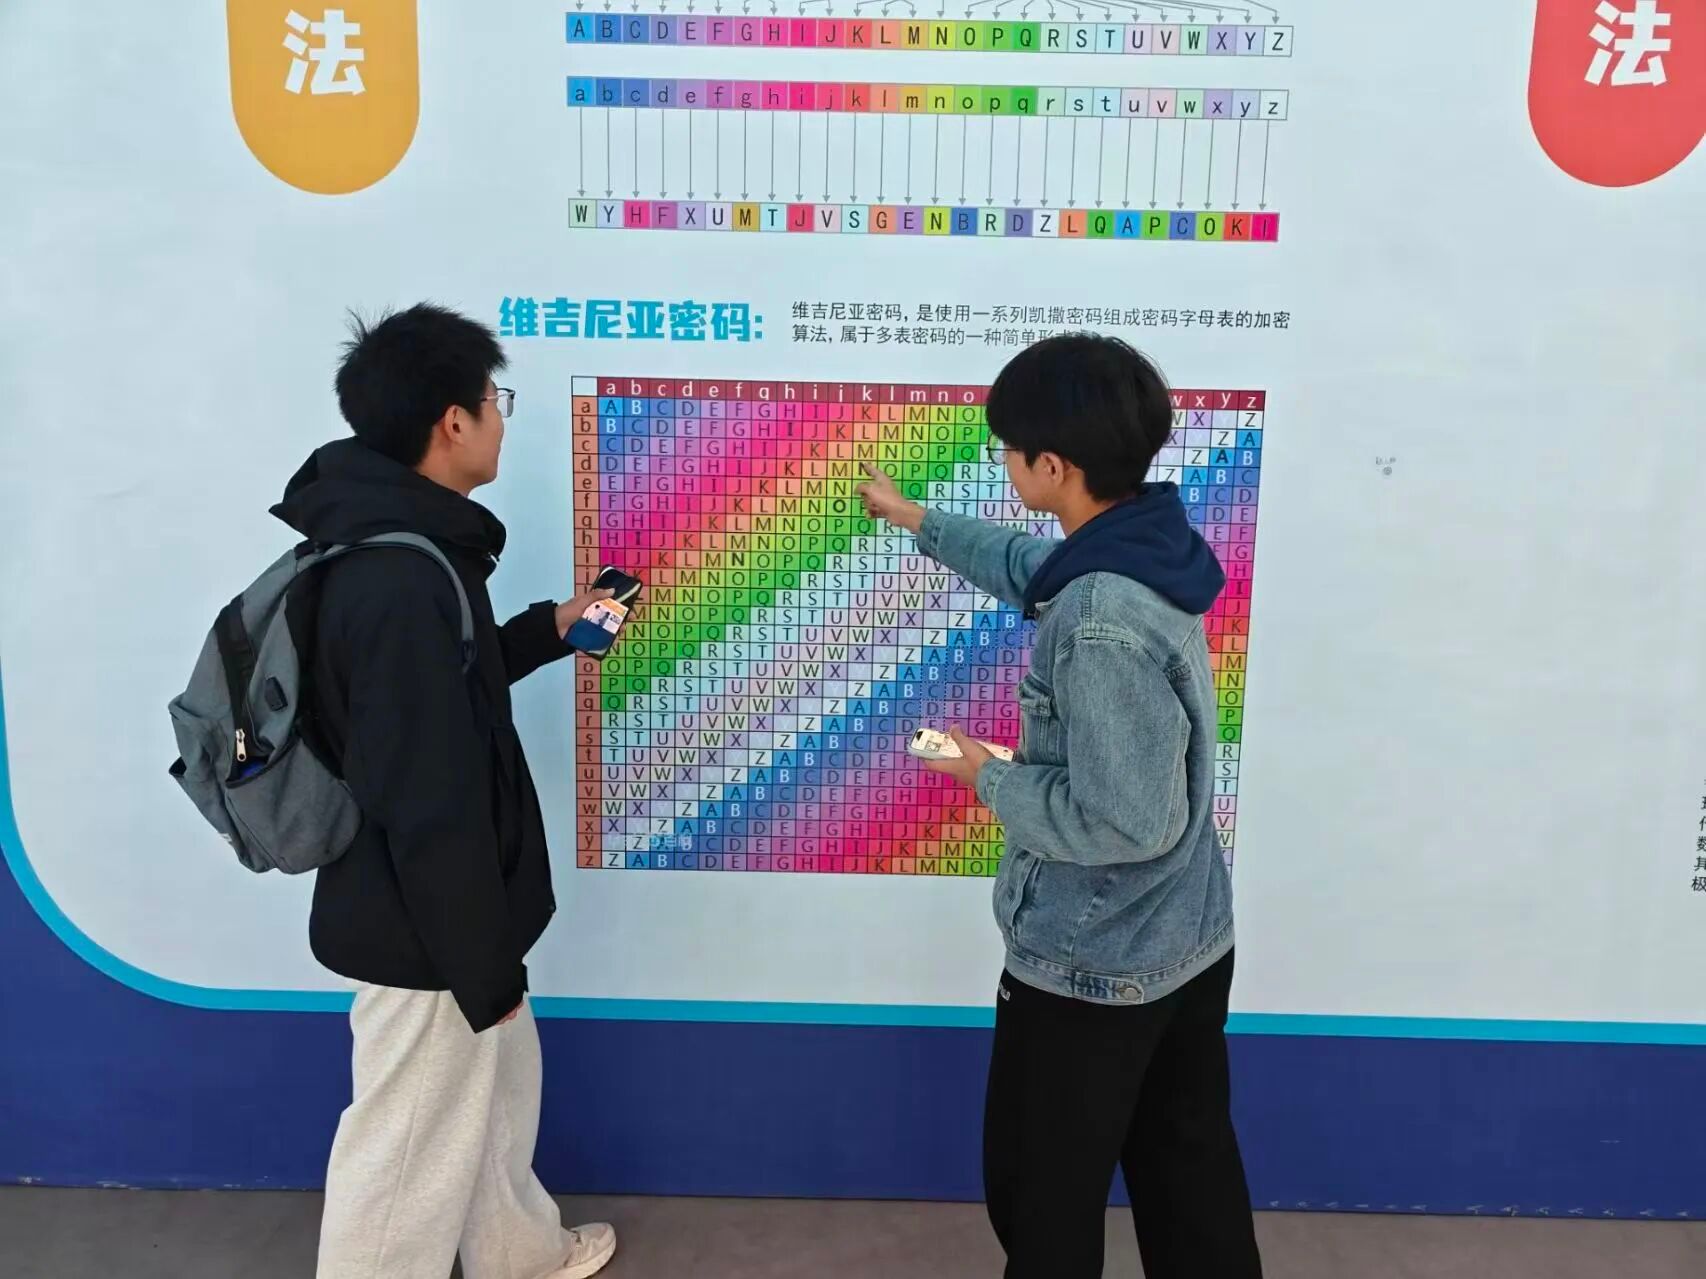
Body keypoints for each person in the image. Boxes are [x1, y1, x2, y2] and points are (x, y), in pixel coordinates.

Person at [856, 333, 1262, 1279]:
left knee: (1040, 1201)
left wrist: (982, 772)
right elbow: (1034, 567)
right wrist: (915, 517)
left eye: (1011, 449)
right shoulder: (1148, 546)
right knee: (1189, 1180)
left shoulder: (1099, 617)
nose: (1004, 463)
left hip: (1092, 966)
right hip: (1185, 941)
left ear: (1054, 467)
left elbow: (1126, 822)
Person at [271, 303, 618, 1279]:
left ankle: (519, 1253)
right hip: (423, 925)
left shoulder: (411, 545)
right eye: (494, 400)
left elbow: (444, 687)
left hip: (446, 910)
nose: (502, 417)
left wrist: (548, 628)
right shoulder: (396, 577)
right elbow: (425, 797)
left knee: (495, 1093)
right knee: (405, 1155)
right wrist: (479, 966)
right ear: (452, 423)